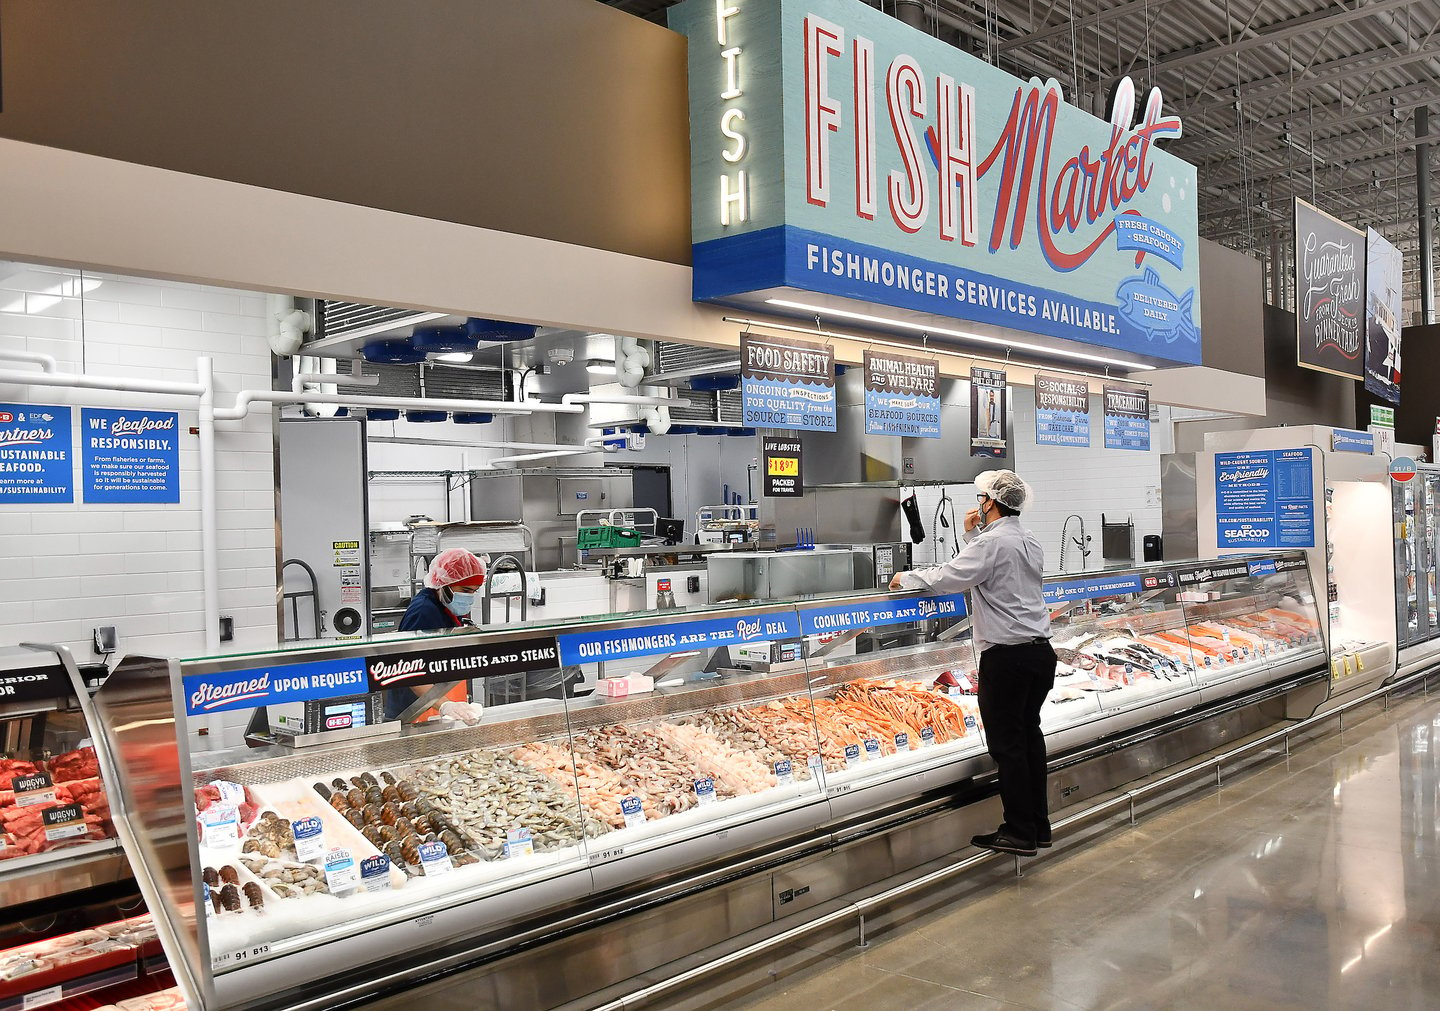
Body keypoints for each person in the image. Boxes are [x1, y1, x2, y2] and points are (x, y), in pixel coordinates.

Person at [889, 469, 1056, 856]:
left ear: (991, 503)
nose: (978, 503)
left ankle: (1018, 832)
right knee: (1029, 740)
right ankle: (1038, 827)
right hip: (1038, 654)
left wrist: (907, 578)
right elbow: (988, 566)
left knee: (1008, 747)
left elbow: (951, 576)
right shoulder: (1027, 539)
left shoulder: (993, 542)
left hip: (1007, 658)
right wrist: (971, 535)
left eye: (982, 498)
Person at [384, 548, 488, 723]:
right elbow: (409, 669)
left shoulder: (446, 604)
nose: (469, 597)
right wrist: (445, 705)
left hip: (436, 704)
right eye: (465, 590)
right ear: (444, 583)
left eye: (474, 591)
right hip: (414, 710)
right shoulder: (424, 611)